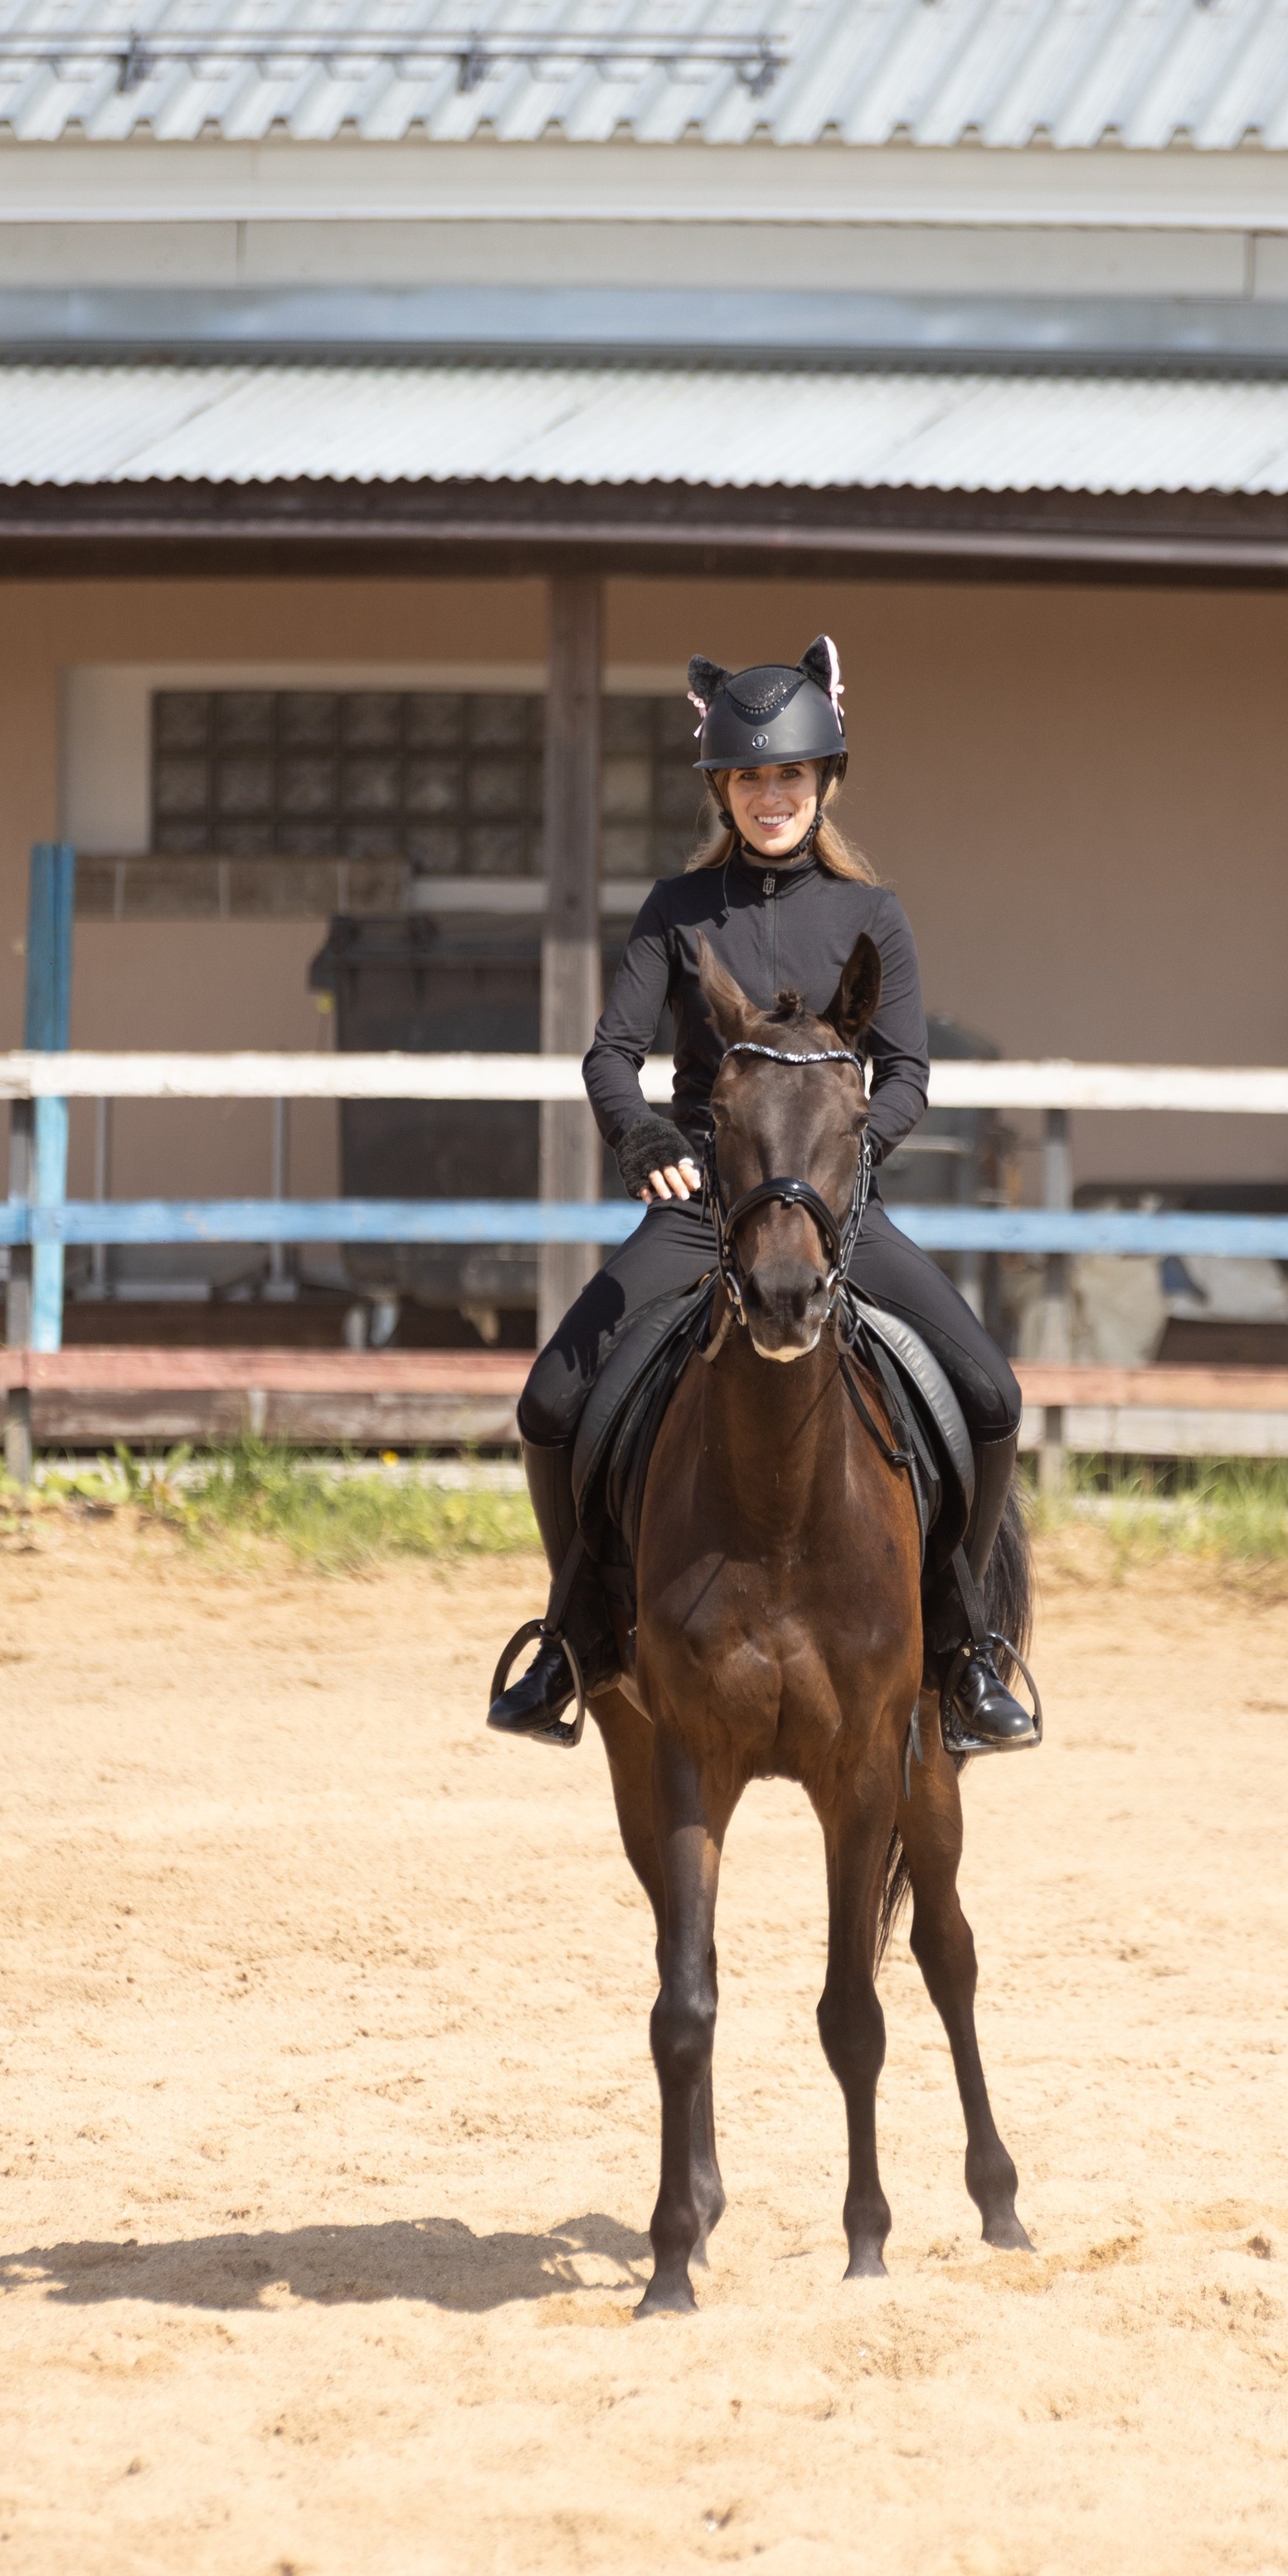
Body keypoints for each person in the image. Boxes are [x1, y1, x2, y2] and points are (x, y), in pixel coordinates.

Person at [489, 635, 1035, 1753]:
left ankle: (965, 1646)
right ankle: (572, 1635)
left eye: (789, 774)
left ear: (823, 780)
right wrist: (644, 1135)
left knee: (990, 1394)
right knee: (549, 1403)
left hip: (835, 1208)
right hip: (706, 1206)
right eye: (749, 777)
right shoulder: (678, 908)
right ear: (723, 789)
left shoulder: (874, 915)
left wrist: (847, 1163)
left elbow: (907, 1074)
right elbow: (610, 1055)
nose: (770, 794)